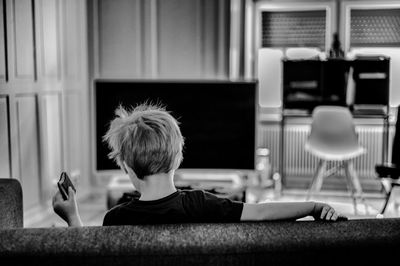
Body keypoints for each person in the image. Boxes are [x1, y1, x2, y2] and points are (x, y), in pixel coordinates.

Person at [53, 104, 346, 227]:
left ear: (127, 168)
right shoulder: (201, 205)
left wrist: (72, 217)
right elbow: (263, 210)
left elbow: (89, 252)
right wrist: (312, 206)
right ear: (178, 158)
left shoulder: (114, 219)